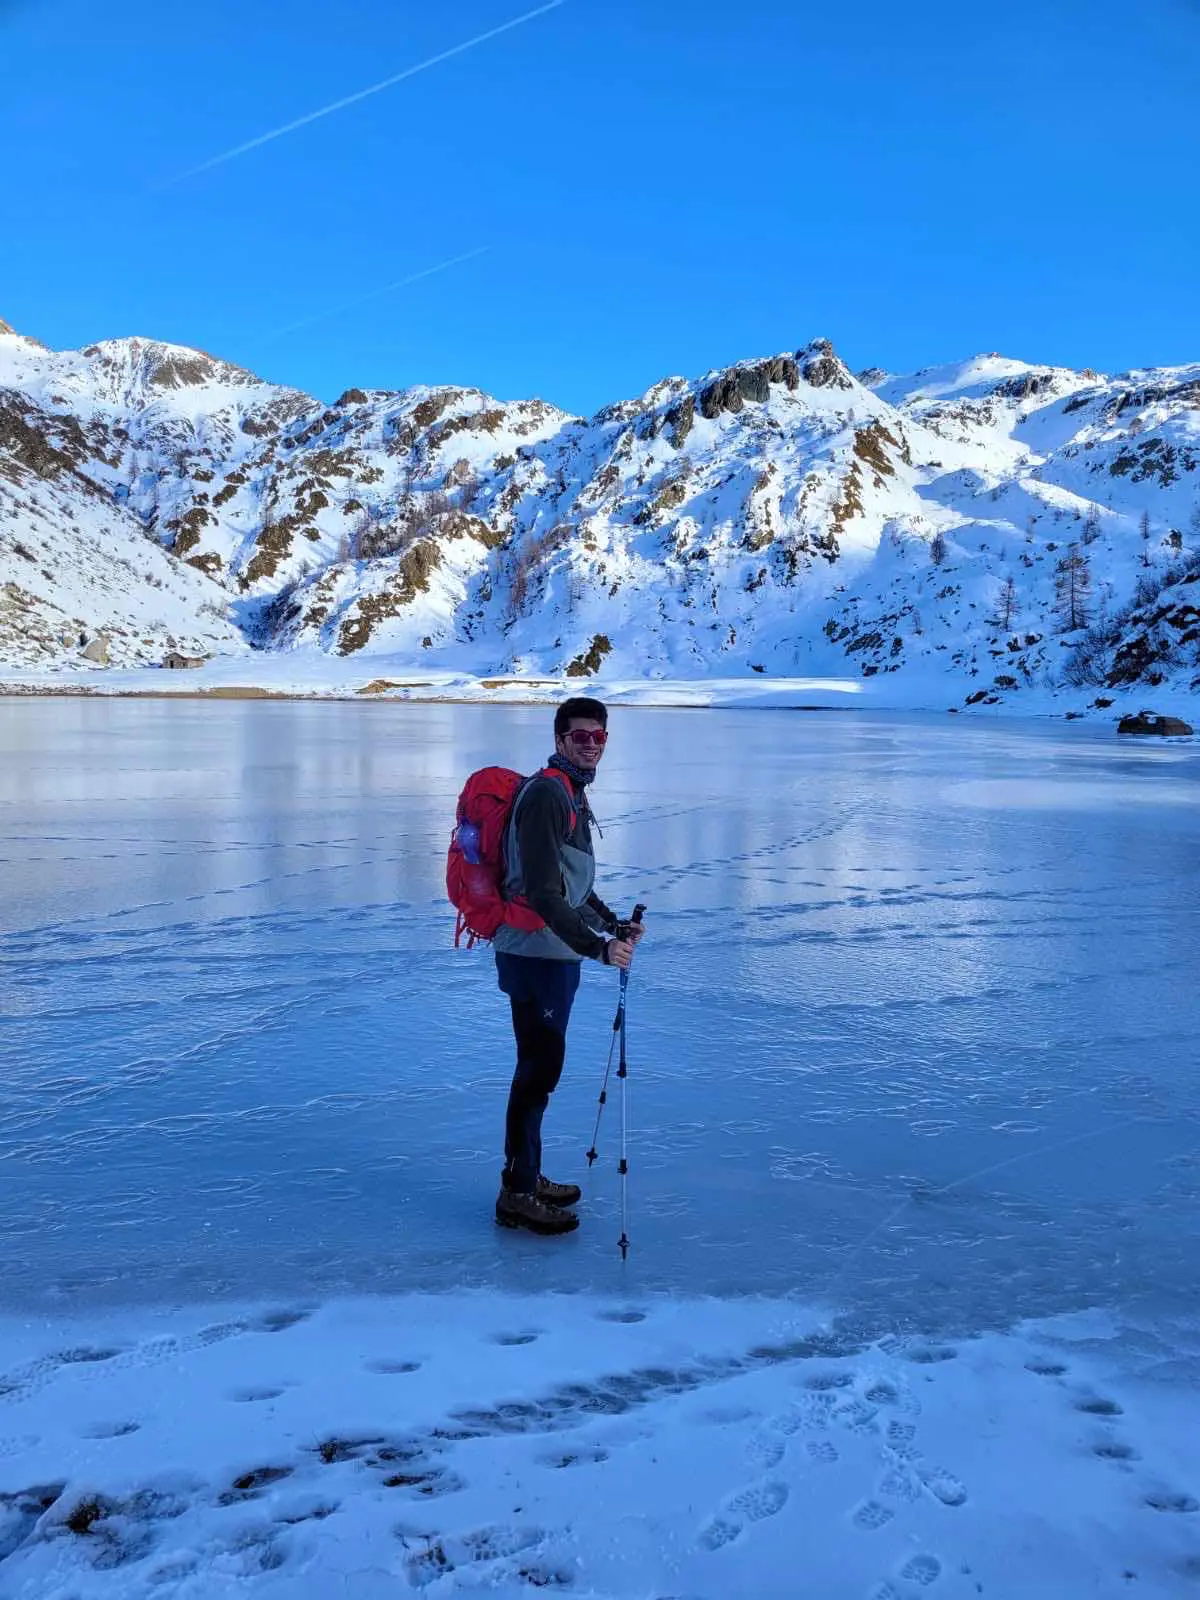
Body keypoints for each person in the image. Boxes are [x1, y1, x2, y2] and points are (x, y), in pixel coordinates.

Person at [493, 697, 644, 1235]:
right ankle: (517, 1194)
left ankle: (525, 1177)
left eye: (599, 736)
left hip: (550, 952)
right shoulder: (546, 796)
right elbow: (542, 893)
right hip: (535, 953)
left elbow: (572, 885)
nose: (591, 745)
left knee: (540, 1068)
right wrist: (597, 947)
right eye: (580, 736)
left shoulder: (569, 790)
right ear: (559, 740)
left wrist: (611, 924)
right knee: (537, 1070)